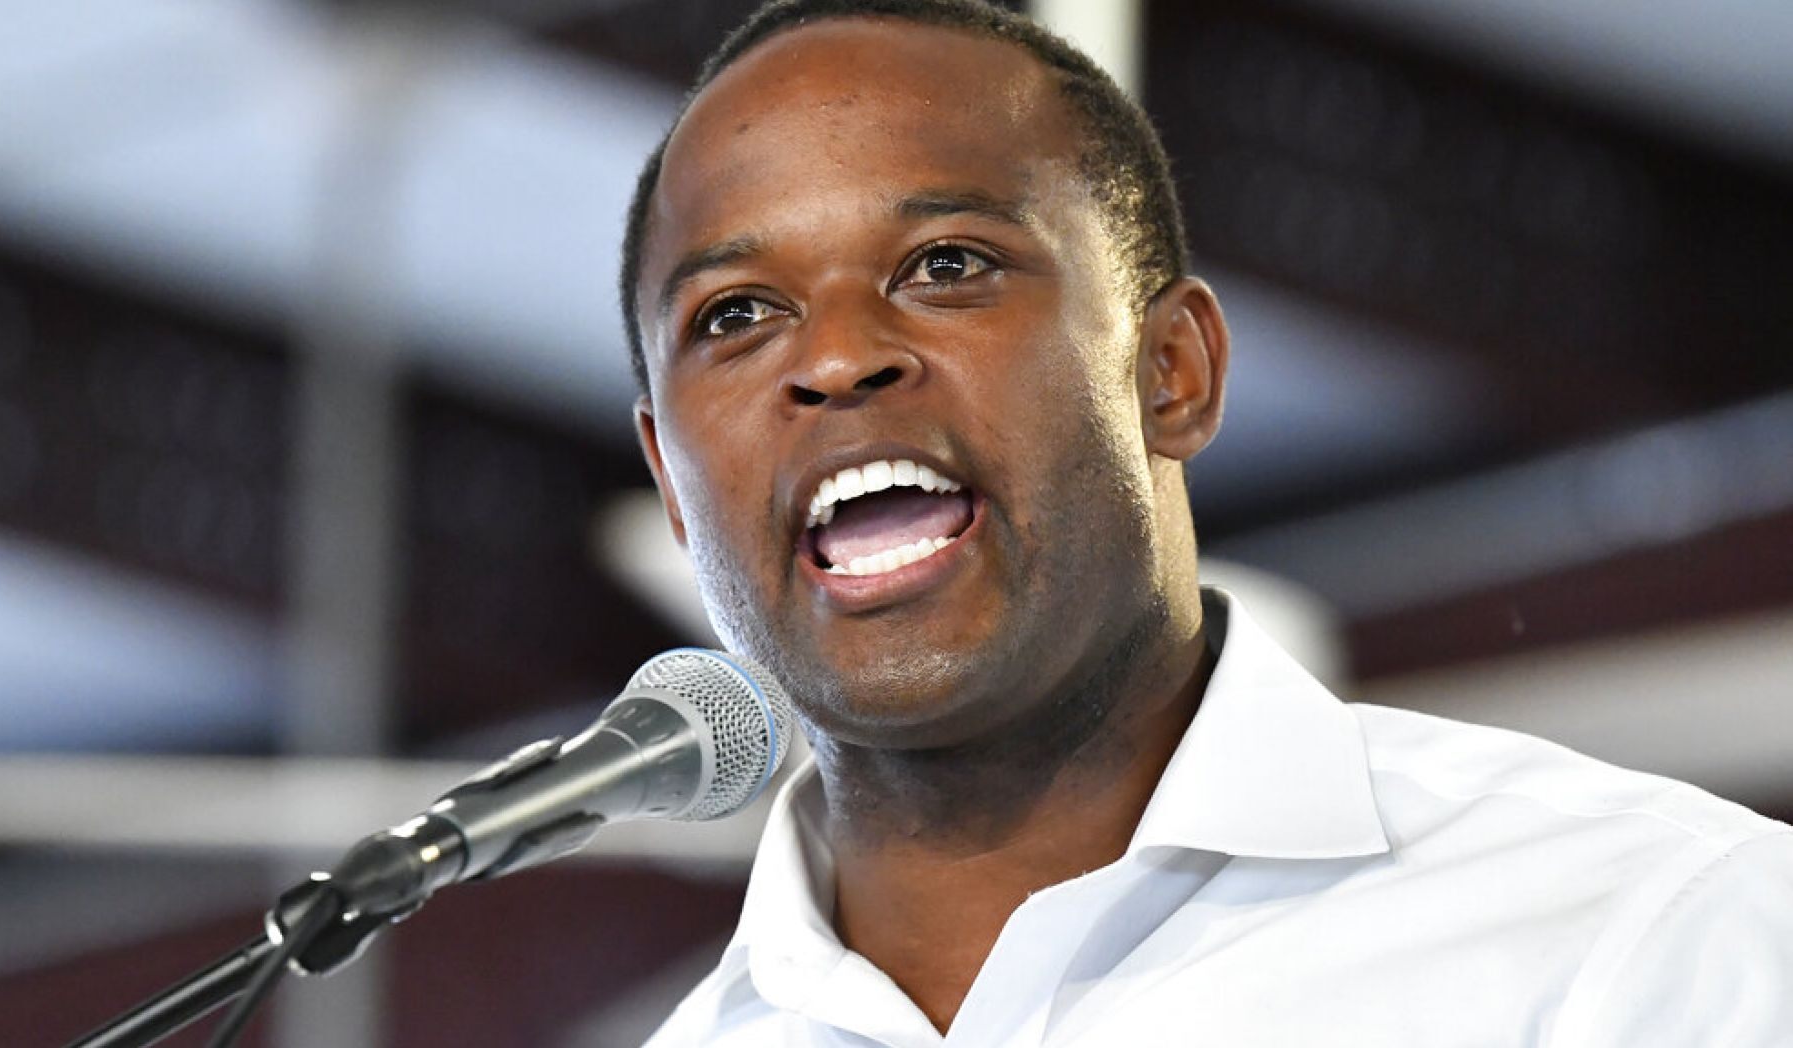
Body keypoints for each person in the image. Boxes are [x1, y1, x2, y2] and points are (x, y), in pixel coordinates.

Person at [617, 1, 1793, 1044]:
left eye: (945, 263)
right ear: (671, 479)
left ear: (1170, 373)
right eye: (735, 315)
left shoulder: (1645, 928)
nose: (834, 357)